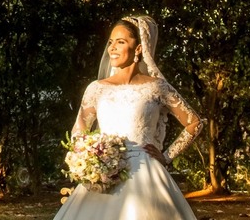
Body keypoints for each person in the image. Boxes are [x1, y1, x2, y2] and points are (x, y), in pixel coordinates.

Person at [53, 15, 202, 220]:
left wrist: (166, 156)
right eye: (111, 42)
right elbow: (79, 130)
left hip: (146, 174)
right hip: (103, 173)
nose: (112, 48)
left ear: (138, 49)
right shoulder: (96, 89)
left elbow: (194, 122)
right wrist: (88, 157)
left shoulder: (157, 87)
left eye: (121, 42)